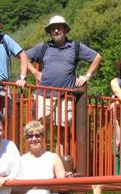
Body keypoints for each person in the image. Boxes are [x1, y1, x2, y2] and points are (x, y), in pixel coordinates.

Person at [23, 15, 102, 151]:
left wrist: (87, 76)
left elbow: (97, 57)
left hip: (65, 97)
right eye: (53, 28)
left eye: (59, 28)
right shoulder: (44, 47)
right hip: (44, 95)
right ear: (50, 31)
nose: (56, 31)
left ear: (65, 30)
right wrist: (35, 73)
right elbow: (24, 56)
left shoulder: (75, 46)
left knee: (62, 132)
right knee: (40, 130)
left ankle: (60, 161)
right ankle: (40, 159)